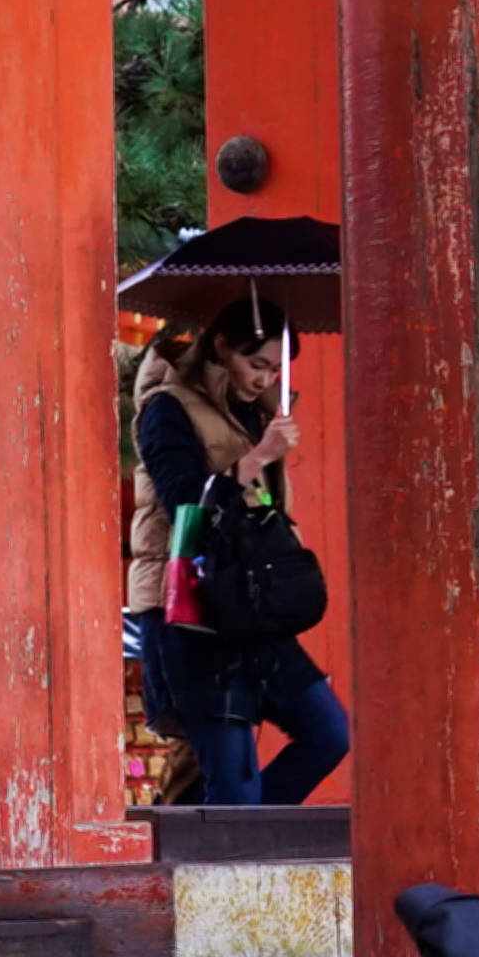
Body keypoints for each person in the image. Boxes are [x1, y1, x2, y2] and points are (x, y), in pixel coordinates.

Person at [130, 299, 348, 808]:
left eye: (275, 368)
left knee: (329, 734)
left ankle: (237, 837)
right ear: (222, 346)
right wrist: (258, 457)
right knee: (233, 782)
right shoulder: (168, 407)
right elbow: (186, 502)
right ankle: (233, 847)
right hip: (191, 609)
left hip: (252, 607)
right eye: (257, 364)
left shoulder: (254, 412)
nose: (264, 378)